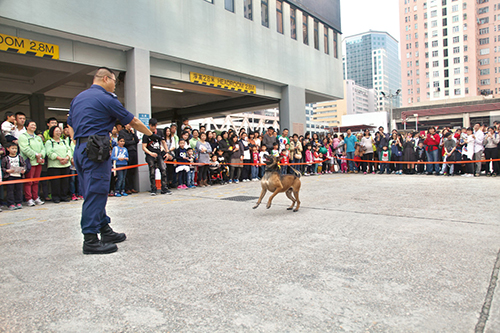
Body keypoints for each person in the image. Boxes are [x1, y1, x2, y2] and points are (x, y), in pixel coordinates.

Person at [67, 67, 153, 255]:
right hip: (96, 148)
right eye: (115, 81)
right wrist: (151, 134)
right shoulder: (106, 98)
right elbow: (134, 122)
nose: (115, 85)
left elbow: (70, 125)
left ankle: (104, 229)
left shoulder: (78, 98)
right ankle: (90, 238)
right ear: (106, 78)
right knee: (96, 192)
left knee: (92, 191)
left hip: (82, 149)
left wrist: (80, 143)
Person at [18, 119, 46, 207]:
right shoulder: (23, 137)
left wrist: (41, 155)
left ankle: (36, 197)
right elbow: (25, 148)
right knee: (29, 181)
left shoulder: (38, 137)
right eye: (31, 125)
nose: (33, 126)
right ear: (27, 126)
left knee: (36, 181)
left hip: (39, 161)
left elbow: (43, 148)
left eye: (34, 125)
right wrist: (35, 155)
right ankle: (29, 198)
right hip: (30, 161)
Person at [142, 118, 171, 196]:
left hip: (159, 154)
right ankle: (153, 189)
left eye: (155, 126)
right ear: (149, 125)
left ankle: (164, 188)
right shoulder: (146, 134)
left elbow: (163, 142)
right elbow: (143, 147)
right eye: (152, 126)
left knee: (163, 170)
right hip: (150, 155)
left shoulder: (159, 132)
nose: (154, 127)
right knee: (152, 171)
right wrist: (150, 153)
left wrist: (167, 152)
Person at [45, 126, 72, 203]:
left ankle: (64, 196)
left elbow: (69, 150)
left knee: (65, 182)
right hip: (54, 166)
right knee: (55, 183)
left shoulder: (64, 141)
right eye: (56, 131)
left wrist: (67, 158)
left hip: (65, 164)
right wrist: (59, 158)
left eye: (59, 131)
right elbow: (49, 153)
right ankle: (56, 197)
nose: (58, 133)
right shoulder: (49, 142)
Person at [1, 142, 26, 210]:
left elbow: (24, 165)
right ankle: (11, 203)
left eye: (16, 148)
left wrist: (23, 170)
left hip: (18, 175)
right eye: (12, 148)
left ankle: (19, 202)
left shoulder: (20, 157)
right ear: (8, 149)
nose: (14, 150)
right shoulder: (6, 158)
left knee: (19, 190)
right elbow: (3, 167)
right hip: (10, 176)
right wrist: (7, 171)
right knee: (10, 190)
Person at [119, 123, 140, 194]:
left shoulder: (131, 132)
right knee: (127, 172)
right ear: (125, 125)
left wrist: (133, 134)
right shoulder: (122, 132)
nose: (129, 126)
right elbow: (125, 142)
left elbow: (137, 141)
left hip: (134, 152)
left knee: (133, 171)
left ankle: (132, 187)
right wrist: (132, 141)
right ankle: (127, 188)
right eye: (128, 124)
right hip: (127, 152)